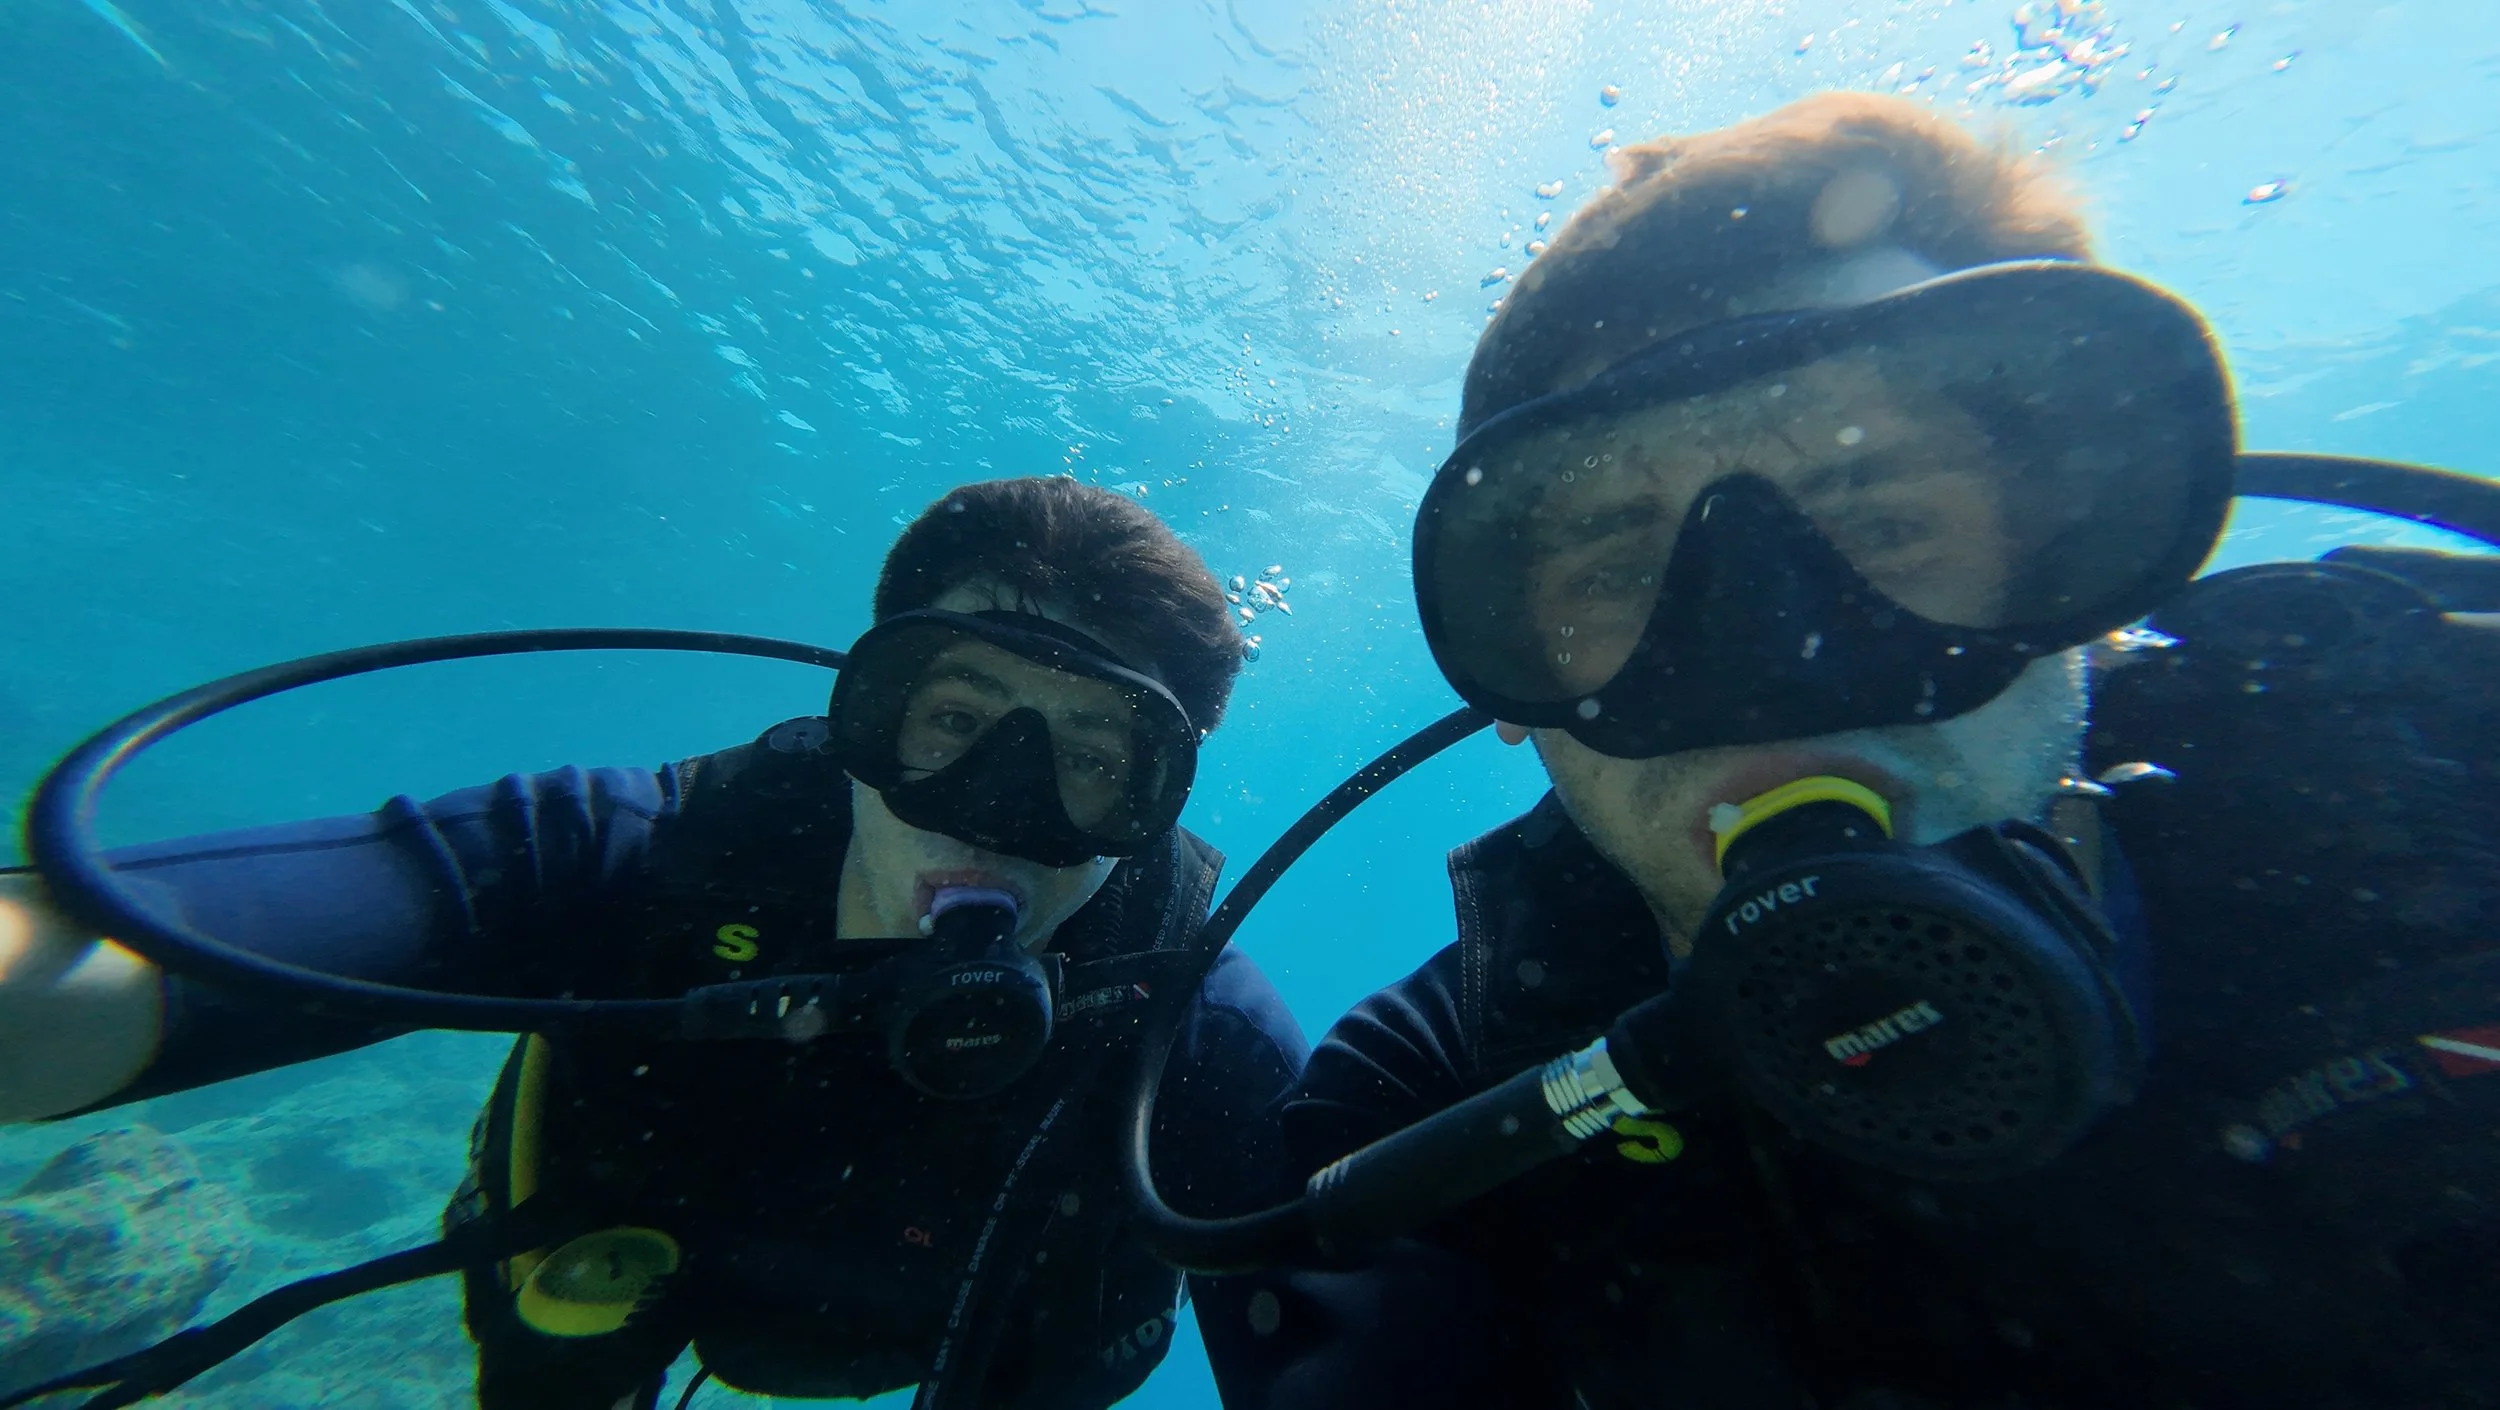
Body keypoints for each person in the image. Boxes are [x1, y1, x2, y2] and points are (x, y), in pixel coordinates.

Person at [1203, 94, 2500, 1409]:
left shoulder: (2440, 754)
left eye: (1879, 519)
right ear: (1515, 689)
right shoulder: (1430, 1112)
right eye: (1624, 565)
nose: (1767, 669)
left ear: (2081, 586)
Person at [0, 476, 1310, 1410]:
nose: (994, 814)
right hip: (587, 1312)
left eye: (1088, 758)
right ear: (867, 708)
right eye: (955, 714)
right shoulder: (644, 853)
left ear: (1152, 803)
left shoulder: (1202, 1036)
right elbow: (119, 964)